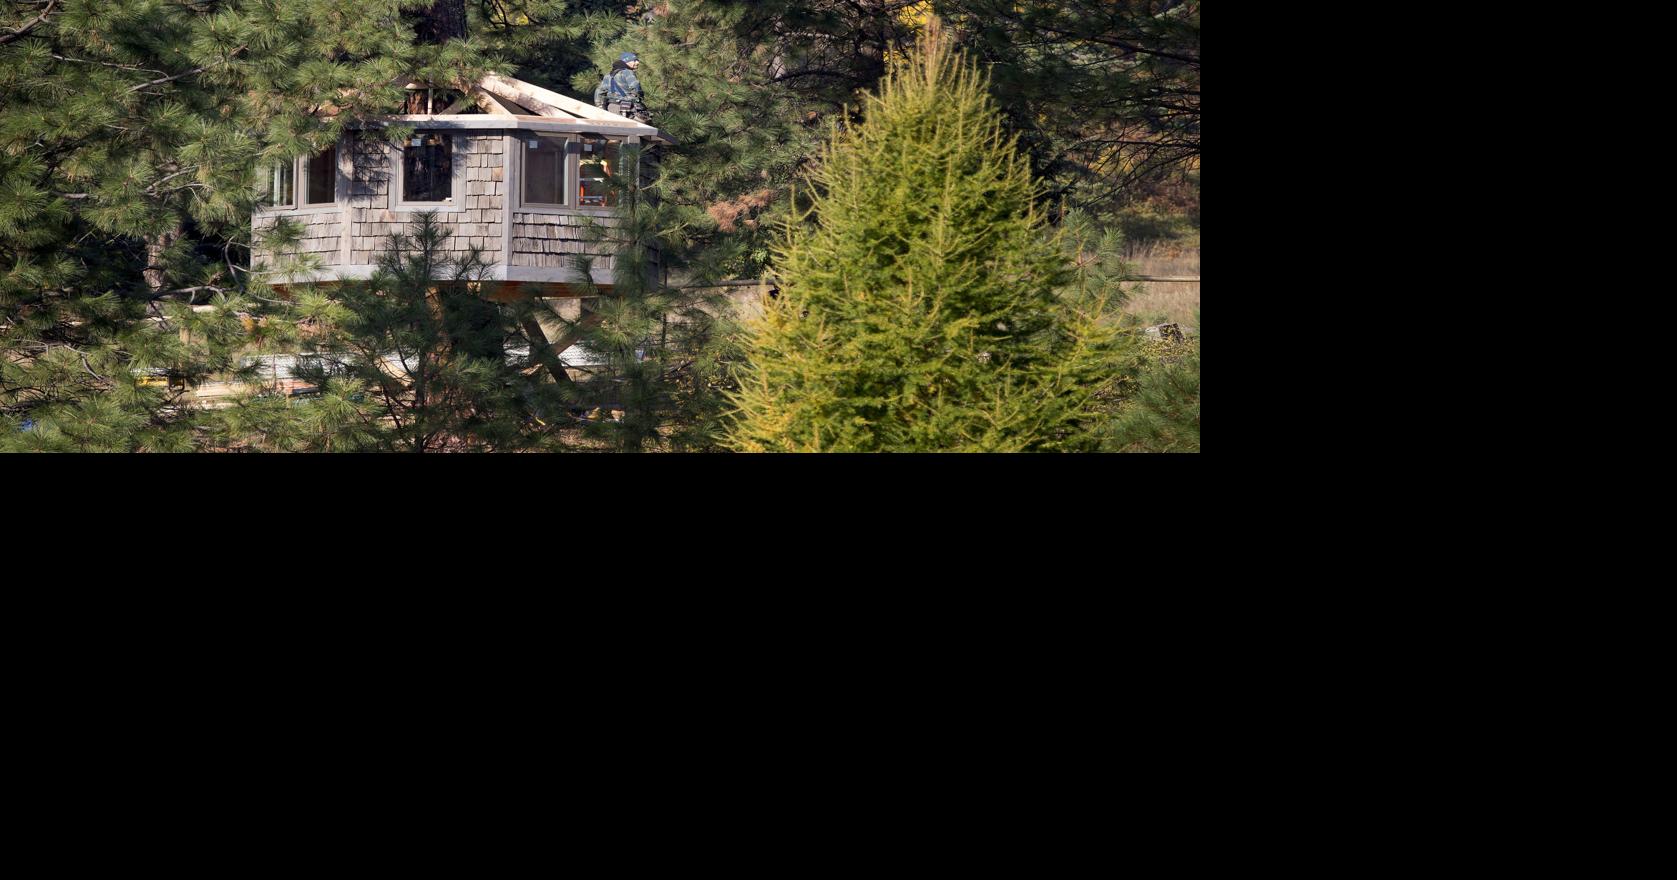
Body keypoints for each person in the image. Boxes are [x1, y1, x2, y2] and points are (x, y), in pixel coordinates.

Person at [594, 52, 649, 122]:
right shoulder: (628, 72)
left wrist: (600, 107)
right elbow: (635, 87)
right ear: (627, 61)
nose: (637, 62)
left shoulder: (608, 75)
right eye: (634, 60)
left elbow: (599, 92)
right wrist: (637, 98)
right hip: (628, 109)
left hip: (611, 108)